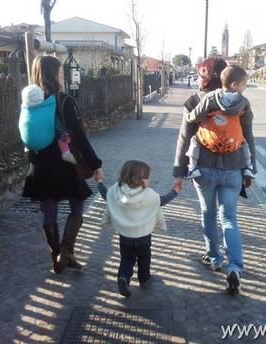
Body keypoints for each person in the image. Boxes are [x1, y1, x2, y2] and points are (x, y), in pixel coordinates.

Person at [172, 57, 256, 295]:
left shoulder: (196, 101)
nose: (198, 79)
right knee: (229, 217)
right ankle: (235, 267)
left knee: (208, 213)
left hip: (204, 169)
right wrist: (251, 171)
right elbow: (249, 137)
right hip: (234, 169)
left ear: (209, 76)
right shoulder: (241, 102)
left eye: (200, 74)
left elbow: (184, 138)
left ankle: (214, 259)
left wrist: (179, 172)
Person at [21, 54, 104, 273]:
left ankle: (55, 258)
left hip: (38, 164)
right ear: (53, 74)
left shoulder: (30, 101)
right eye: (60, 71)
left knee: (49, 208)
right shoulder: (62, 100)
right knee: (77, 202)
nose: (62, 76)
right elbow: (77, 134)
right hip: (64, 164)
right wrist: (95, 164)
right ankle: (67, 250)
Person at [97, 160, 180, 297]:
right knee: (144, 256)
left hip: (124, 236)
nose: (149, 178)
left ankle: (123, 277)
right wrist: (175, 191)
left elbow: (105, 194)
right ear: (137, 179)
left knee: (127, 258)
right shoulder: (149, 194)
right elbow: (163, 200)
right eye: (146, 176)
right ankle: (144, 278)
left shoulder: (115, 191)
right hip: (143, 236)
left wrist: (100, 182)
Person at [184, 65, 255, 180]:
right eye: (244, 84)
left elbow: (198, 115)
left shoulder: (211, 97)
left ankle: (193, 167)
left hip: (209, 142)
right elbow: (247, 120)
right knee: (244, 142)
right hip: (233, 144)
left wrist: (188, 117)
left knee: (194, 141)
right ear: (234, 85)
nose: (245, 88)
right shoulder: (243, 101)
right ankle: (248, 166)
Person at [21, 84, 76, 164]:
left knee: (30, 128)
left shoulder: (25, 111)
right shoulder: (48, 109)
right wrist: (65, 135)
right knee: (60, 137)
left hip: (30, 143)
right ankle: (66, 153)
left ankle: (28, 145)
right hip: (47, 141)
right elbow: (58, 126)